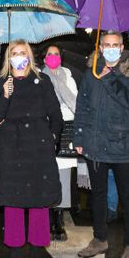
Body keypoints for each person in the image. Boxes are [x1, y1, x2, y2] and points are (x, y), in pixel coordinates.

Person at [74, 32, 129, 258]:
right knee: (97, 195)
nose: (111, 49)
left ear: (123, 46)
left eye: (115, 45)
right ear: (100, 47)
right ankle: (99, 238)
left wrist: (110, 80)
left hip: (122, 145)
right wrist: (79, 135)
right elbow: (82, 105)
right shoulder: (91, 72)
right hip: (95, 144)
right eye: (106, 45)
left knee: (128, 197)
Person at [0, 40, 63, 258]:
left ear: (30, 57)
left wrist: (53, 136)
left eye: (23, 53)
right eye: (14, 53)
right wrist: (4, 95)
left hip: (38, 146)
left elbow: (55, 114)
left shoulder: (42, 81)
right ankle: (15, 247)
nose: (19, 56)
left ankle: (37, 247)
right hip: (10, 147)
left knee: (38, 197)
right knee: (13, 199)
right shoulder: (0, 82)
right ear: (8, 58)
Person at [42, 45, 79, 241]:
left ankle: (59, 220)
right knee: (47, 176)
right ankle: (48, 217)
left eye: (57, 53)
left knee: (63, 177)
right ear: (44, 58)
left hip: (66, 131)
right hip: (46, 130)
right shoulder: (39, 76)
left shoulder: (68, 75)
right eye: (50, 54)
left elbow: (76, 102)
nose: (53, 57)